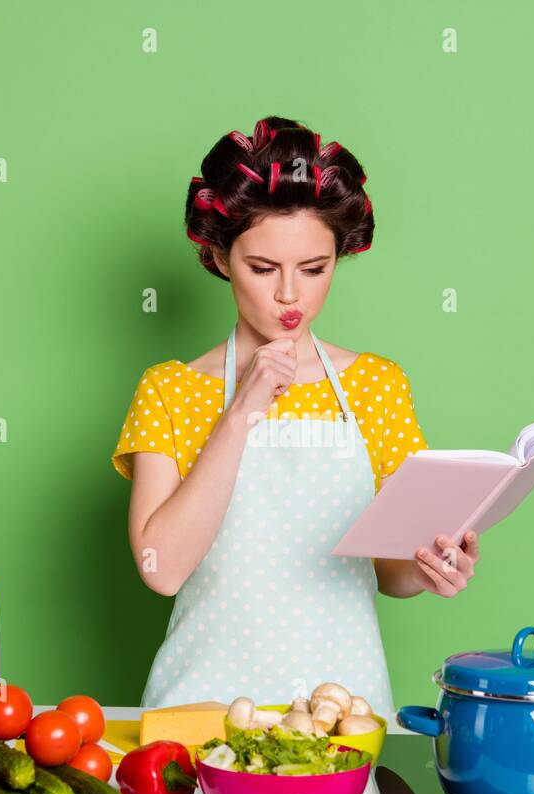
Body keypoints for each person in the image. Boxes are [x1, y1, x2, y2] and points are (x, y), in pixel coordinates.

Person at [112, 116, 480, 718]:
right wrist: (241, 414)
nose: (290, 296)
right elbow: (163, 569)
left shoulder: (376, 386)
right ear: (219, 257)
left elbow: (390, 570)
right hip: (200, 714)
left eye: (314, 269)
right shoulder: (171, 390)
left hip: (344, 714)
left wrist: (432, 566)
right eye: (263, 268)